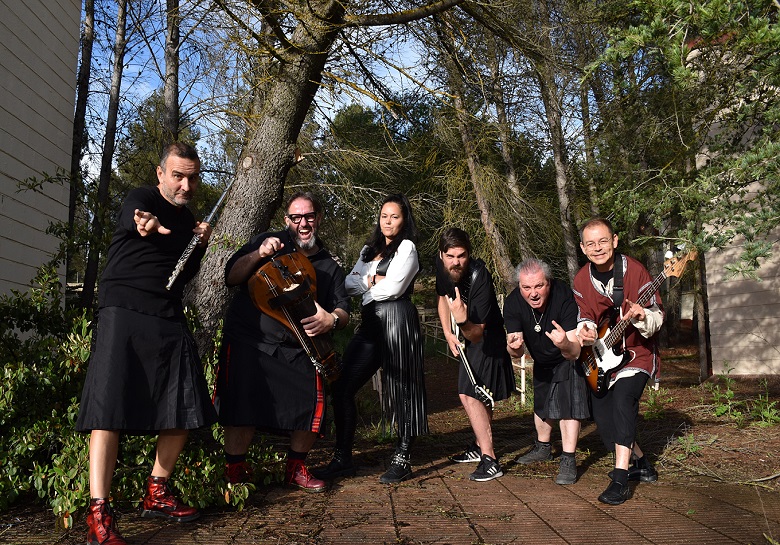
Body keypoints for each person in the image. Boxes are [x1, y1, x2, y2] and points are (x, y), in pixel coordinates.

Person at [76, 142, 217, 545]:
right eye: (178, 175)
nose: (185, 184)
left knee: (183, 404)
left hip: (167, 313)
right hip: (123, 308)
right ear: (161, 174)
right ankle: (98, 513)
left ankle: (157, 491)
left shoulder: (190, 221)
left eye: (192, 177)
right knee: (108, 406)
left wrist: (200, 245)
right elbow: (134, 219)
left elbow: (183, 275)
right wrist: (148, 225)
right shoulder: (141, 198)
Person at [214, 191, 350, 493]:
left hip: (297, 346)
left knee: (308, 406)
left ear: (318, 218)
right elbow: (231, 276)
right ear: (286, 219)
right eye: (296, 217)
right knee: (241, 407)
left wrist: (332, 319)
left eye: (309, 216)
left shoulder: (329, 266)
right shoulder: (268, 241)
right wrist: (259, 254)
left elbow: (343, 309)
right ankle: (234, 471)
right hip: (252, 338)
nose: (303, 223)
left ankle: (295, 468)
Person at [314, 194, 428, 484]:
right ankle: (342, 458)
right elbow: (349, 284)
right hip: (369, 323)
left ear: (405, 220)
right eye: (384, 216)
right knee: (341, 385)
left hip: (397, 319)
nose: (388, 221)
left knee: (404, 388)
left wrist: (368, 285)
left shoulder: (407, 247)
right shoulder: (369, 249)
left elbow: (396, 287)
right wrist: (372, 281)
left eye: (395, 216)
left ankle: (403, 457)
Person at [574, 217, 662, 505]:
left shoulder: (636, 271)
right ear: (583, 248)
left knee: (623, 402)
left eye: (603, 241)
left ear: (614, 240)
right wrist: (585, 330)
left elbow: (658, 317)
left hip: (637, 353)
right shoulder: (580, 279)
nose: (597, 248)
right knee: (605, 421)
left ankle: (620, 479)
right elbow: (584, 316)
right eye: (591, 243)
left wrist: (641, 316)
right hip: (602, 357)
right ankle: (642, 464)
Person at [436, 228, 516, 482]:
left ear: (469, 254)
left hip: (486, 337)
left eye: (462, 256)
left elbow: (476, 334)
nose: (456, 262)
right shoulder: (443, 266)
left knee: (470, 394)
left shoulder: (480, 276)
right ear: (442, 255)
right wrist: (448, 331)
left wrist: (460, 321)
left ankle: (490, 460)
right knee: (476, 393)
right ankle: (478, 446)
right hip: (464, 331)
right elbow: (442, 296)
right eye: (451, 256)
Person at [504, 258, 589, 485]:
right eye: (526, 287)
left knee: (567, 401)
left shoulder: (563, 296)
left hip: (566, 356)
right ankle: (543, 447)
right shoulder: (512, 303)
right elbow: (515, 353)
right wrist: (513, 348)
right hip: (541, 359)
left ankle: (569, 458)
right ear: (519, 287)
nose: (533, 293)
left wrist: (563, 344)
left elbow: (574, 351)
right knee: (541, 403)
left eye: (539, 286)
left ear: (548, 283)